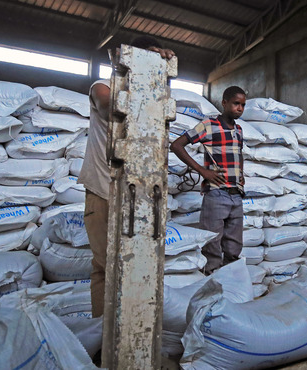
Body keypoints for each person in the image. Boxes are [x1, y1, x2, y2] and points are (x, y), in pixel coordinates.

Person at [78, 36, 175, 318]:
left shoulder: (155, 95)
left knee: (139, 265)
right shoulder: (103, 87)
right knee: (106, 265)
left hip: (139, 194)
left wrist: (160, 72)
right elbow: (111, 109)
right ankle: (103, 339)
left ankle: (135, 329)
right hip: (102, 189)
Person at [171, 86, 246, 275]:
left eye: (243, 105)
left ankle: (230, 288)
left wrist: (241, 174)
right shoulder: (209, 125)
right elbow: (177, 145)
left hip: (236, 196)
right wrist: (202, 170)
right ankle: (211, 290)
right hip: (216, 193)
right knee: (212, 247)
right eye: (236, 103)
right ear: (224, 103)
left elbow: (239, 153)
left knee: (234, 248)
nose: (240, 108)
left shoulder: (238, 130)